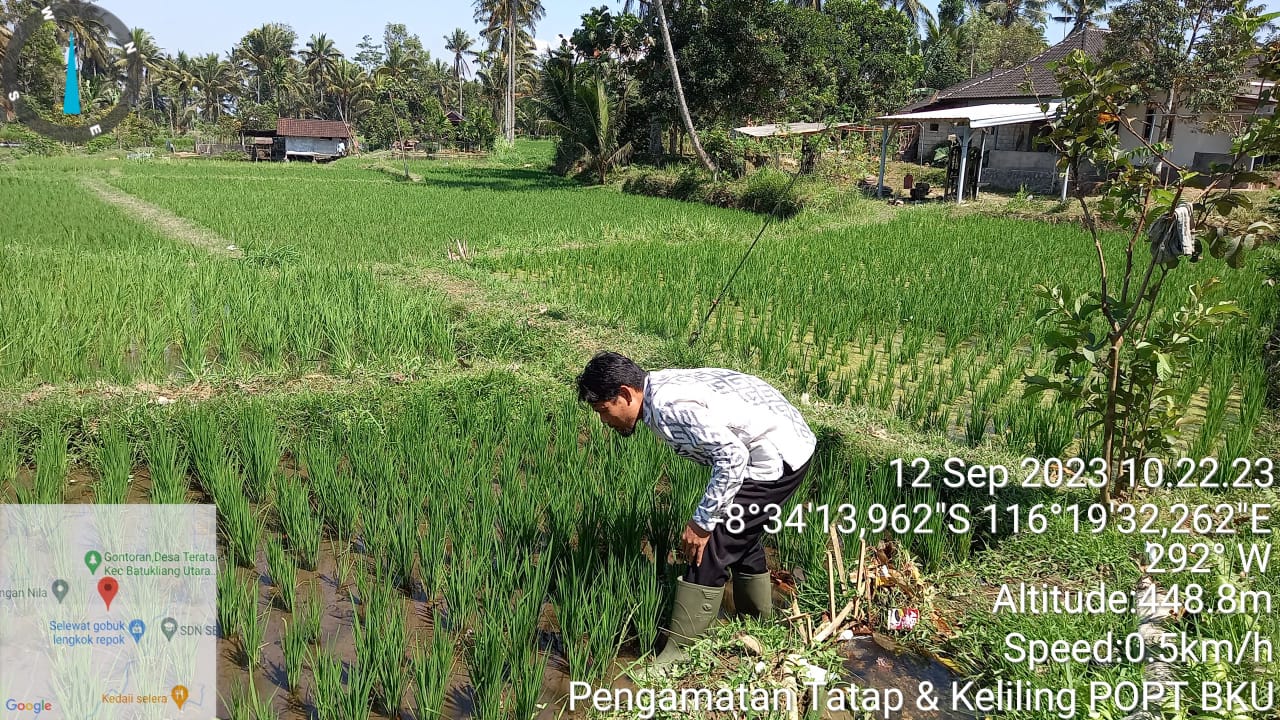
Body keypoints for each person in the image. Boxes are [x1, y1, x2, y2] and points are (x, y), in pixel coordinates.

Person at [576, 351, 816, 667]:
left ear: (625, 394)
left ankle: (677, 657)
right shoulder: (657, 386)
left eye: (603, 410)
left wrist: (702, 523)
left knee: (710, 549)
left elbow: (732, 456)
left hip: (776, 458)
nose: (604, 421)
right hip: (786, 439)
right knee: (739, 535)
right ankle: (758, 623)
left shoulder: (668, 409)